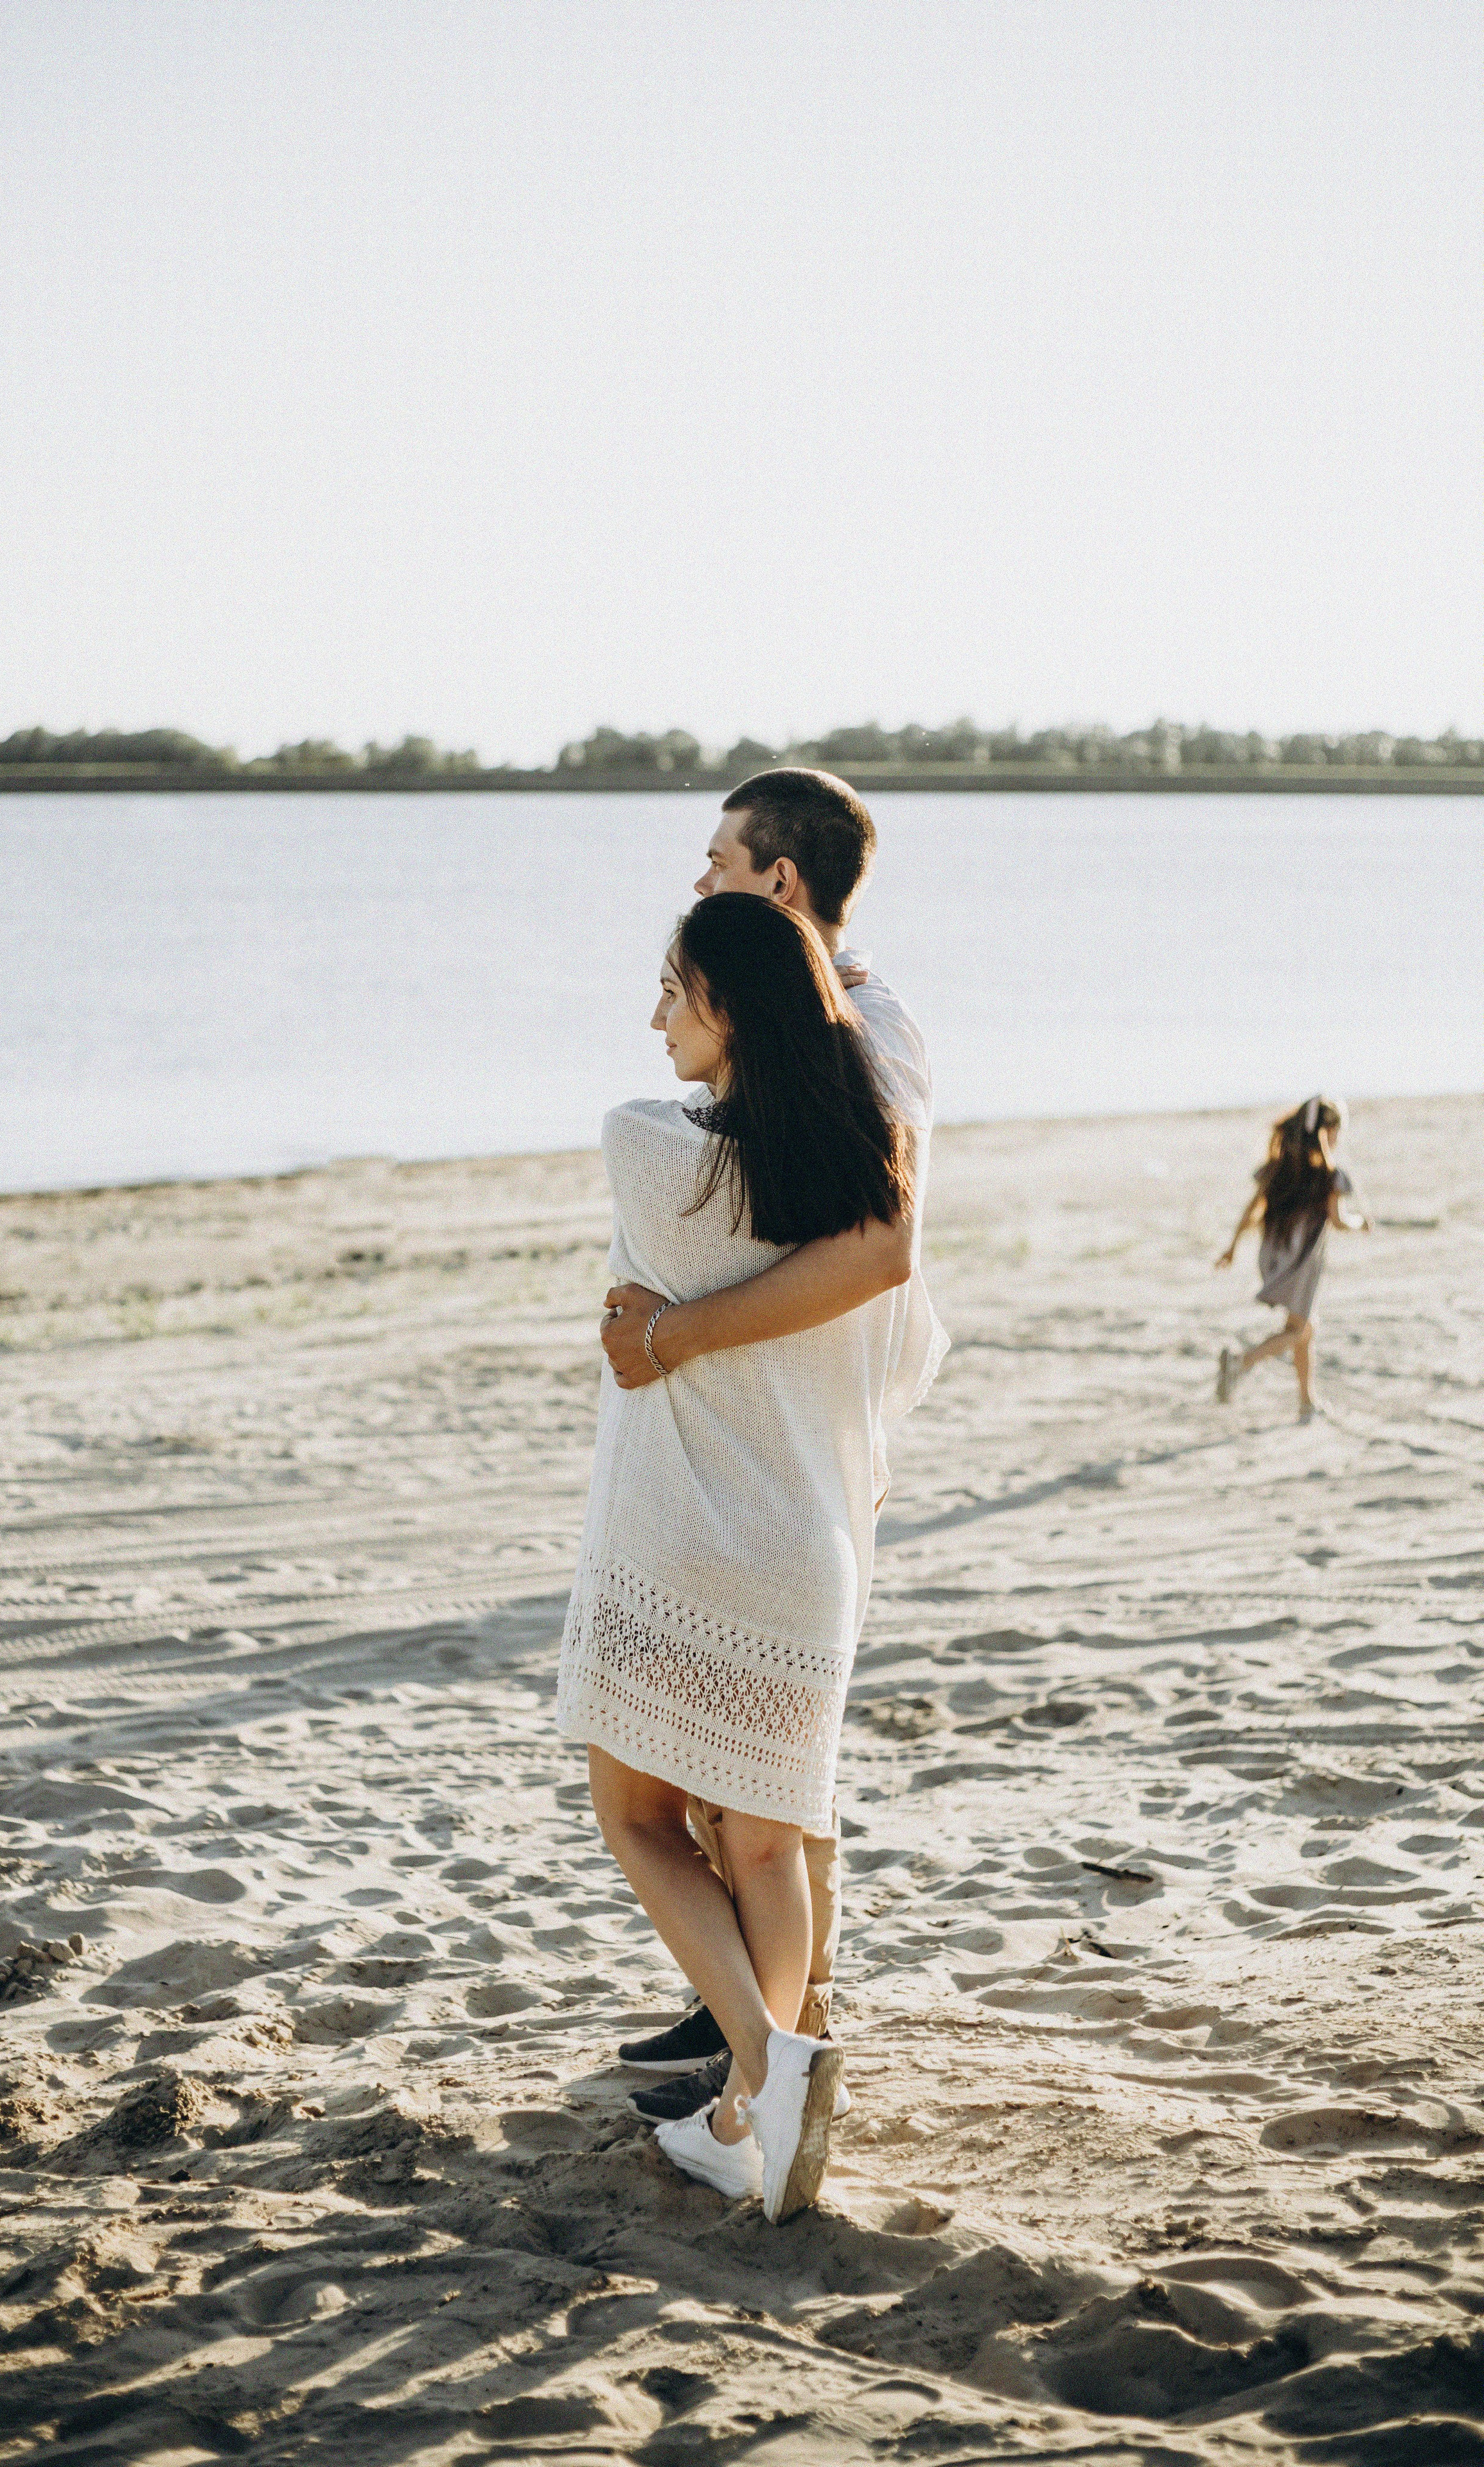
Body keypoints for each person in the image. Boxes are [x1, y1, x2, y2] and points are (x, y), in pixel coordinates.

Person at [556, 892, 943, 2220]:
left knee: (639, 1819)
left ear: (728, 1005)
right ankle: (745, 2120)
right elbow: (878, 1265)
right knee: (767, 1848)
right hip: (807, 1550)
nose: (655, 1016)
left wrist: (662, 1328)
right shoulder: (863, 1163)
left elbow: (639, 1305)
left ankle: (770, 2068)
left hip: (679, 1536)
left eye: (674, 989)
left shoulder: (643, 1141)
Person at [1215, 1095, 1370, 1419]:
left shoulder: (1279, 1170)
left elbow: (1252, 1209)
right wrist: (1362, 1223)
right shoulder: (1329, 1176)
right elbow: (1339, 1221)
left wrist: (1232, 1247)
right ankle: (1241, 1363)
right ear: (1328, 1132)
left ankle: (1306, 1402)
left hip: (1274, 1255)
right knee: (1301, 1330)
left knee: (1302, 1327)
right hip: (1302, 1261)